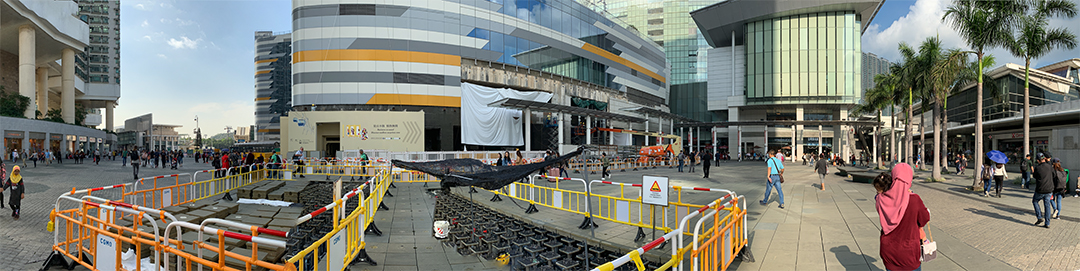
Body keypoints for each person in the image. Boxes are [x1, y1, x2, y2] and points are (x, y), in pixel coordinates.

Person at [874, 163, 930, 271]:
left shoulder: (881, 198)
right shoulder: (914, 199)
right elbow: (924, 219)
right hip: (909, 252)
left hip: (888, 250)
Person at [1031, 153, 1053, 228]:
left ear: (1038, 160)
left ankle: (1039, 217)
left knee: (1035, 201)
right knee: (1047, 206)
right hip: (1049, 189)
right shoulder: (1050, 166)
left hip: (1040, 189)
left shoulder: (1037, 168)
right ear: (1044, 158)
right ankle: (1047, 223)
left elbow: (1035, 176)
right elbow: (1054, 175)